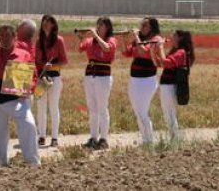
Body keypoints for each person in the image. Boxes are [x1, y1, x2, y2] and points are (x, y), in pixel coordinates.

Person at [0, 24, 40, 167]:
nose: (4, 39)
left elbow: (34, 77)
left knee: (28, 125)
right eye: (1, 36)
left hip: (17, 99)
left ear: (14, 37)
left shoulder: (24, 55)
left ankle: (32, 162)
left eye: (7, 36)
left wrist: (28, 90)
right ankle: (1, 162)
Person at [122, 16, 165, 146]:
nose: (141, 28)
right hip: (134, 79)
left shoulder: (155, 39)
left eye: (145, 25)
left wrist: (136, 37)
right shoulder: (139, 38)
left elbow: (145, 53)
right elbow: (126, 53)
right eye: (141, 25)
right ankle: (145, 139)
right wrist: (124, 39)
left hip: (147, 80)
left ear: (152, 27)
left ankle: (149, 140)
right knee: (137, 111)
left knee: (142, 111)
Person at [78, 17, 117, 150]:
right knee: (92, 108)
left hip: (103, 76)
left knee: (102, 108)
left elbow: (107, 49)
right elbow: (80, 48)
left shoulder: (111, 40)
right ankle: (93, 137)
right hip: (90, 75)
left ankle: (104, 139)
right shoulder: (91, 41)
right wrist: (81, 37)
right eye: (97, 25)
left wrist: (95, 35)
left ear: (107, 28)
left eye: (101, 25)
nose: (98, 27)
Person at [34, 14, 68, 148]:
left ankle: (54, 137)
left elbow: (64, 60)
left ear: (53, 25)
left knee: (53, 107)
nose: (46, 24)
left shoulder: (59, 40)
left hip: (54, 76)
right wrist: (42, 65)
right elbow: (36, 59)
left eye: (49, 22)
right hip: (42, 76)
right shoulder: (39, 41)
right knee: (40, 107)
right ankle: (41, 135)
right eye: (44, 22)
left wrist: (52, 65)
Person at [158, 30, 195, 141]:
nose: (171, 37)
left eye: (173, 35)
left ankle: (175, 138)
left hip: (170, 86)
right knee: (168, 113)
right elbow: (161, 63)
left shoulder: (181, 52)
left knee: (169, 113)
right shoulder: (176, 51)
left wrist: (160, 47)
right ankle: (174, 137)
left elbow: (166, 63)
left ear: (179, 38)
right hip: (167, 86)